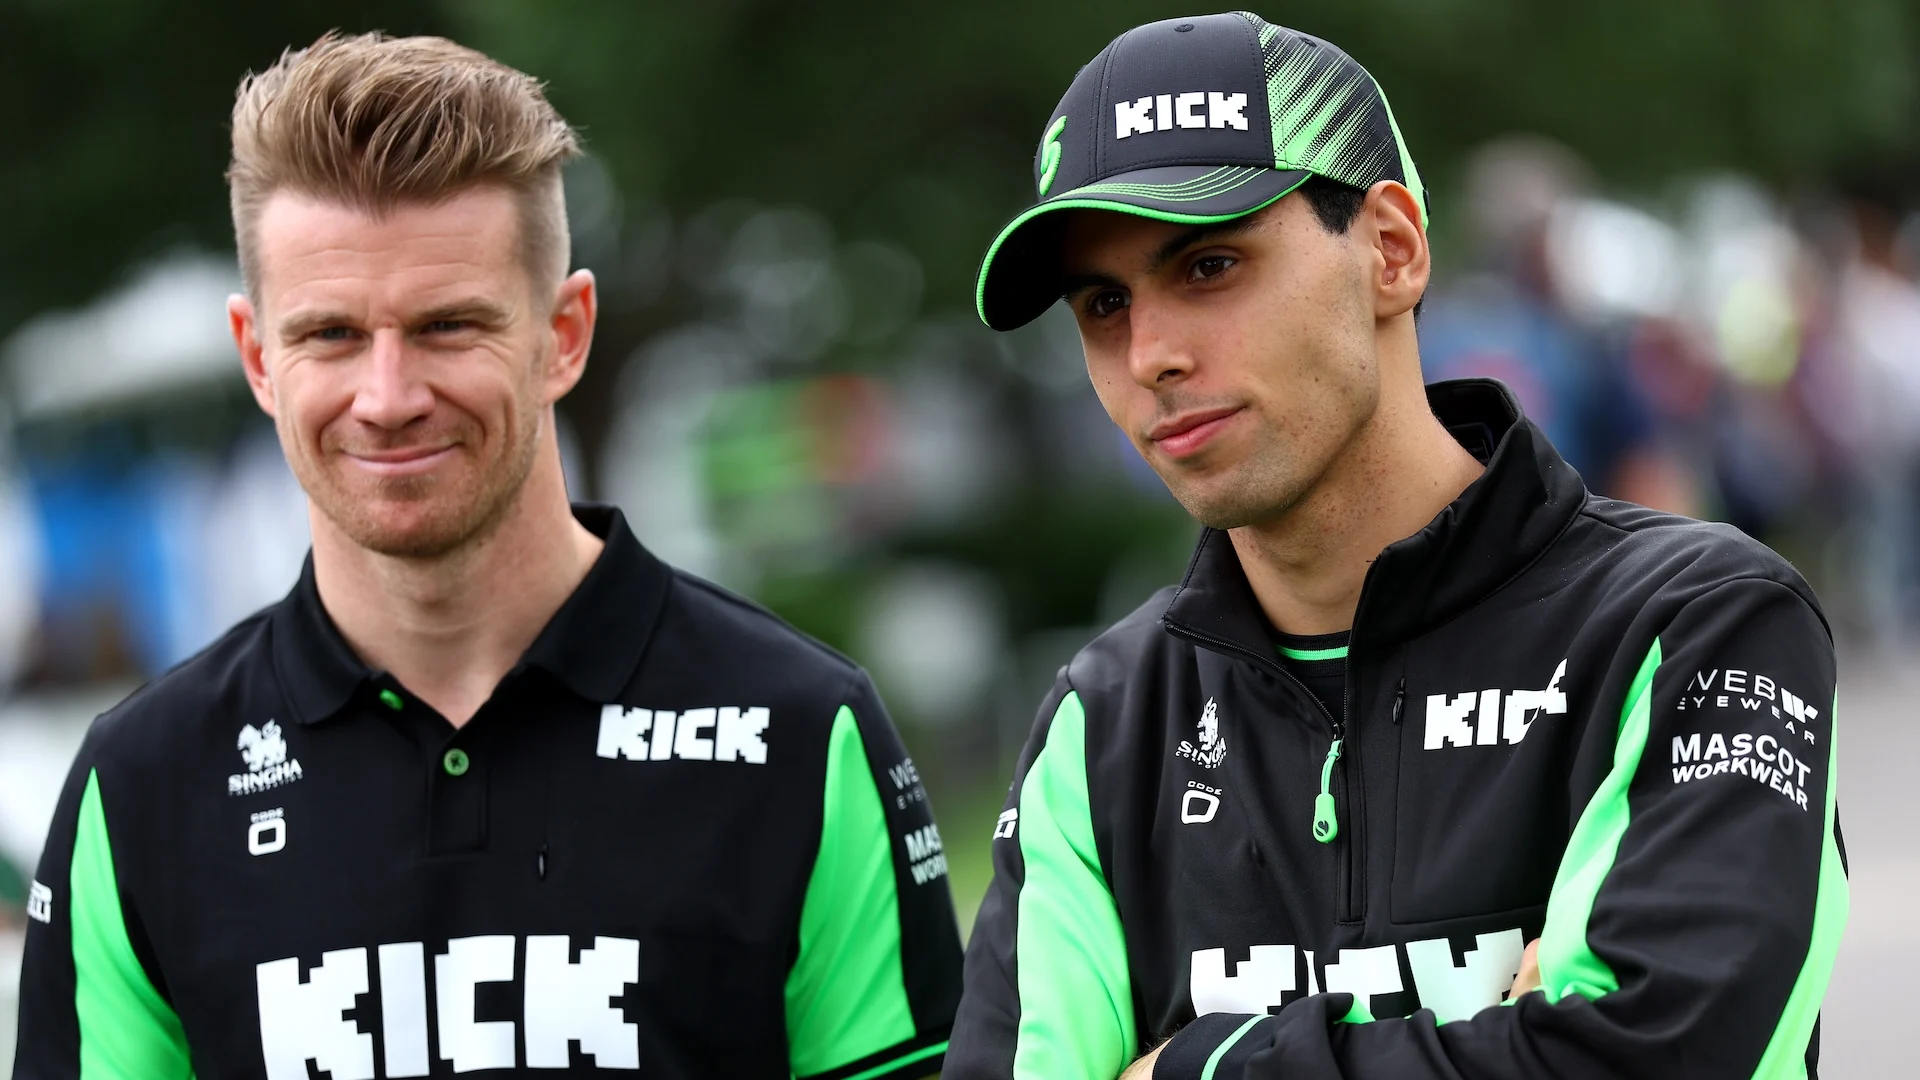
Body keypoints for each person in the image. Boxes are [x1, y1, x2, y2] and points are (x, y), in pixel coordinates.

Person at [13, 33, 960, 1079]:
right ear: (257, 357)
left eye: (448, 325)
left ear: (563, 333)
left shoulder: (799, 734)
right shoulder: (143, 784)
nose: (387, 396)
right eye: (329, 334)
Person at [947, 13, 1845, 1080]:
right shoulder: (1104, 723)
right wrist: (1505, 1041)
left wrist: (1190, 1067)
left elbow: (1651, 1059)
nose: (1151, 355)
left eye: (1209, 265)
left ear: (1392, 250)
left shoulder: (1699, 626)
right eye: (1103, 303)